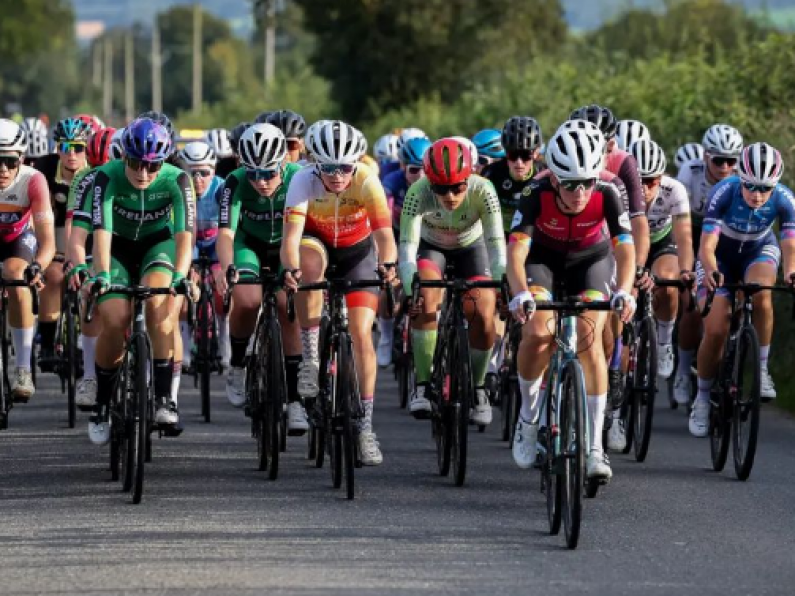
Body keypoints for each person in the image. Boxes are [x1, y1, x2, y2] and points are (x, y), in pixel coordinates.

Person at [507, 125, 636, 480]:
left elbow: (625, 247)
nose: (580, 193)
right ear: (553, 180)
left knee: (589, 339)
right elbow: (516, 252)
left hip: (590, 262)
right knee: (537, 332)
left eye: (587, 183)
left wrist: (625, 289)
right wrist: (519, 292)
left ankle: (595, 447)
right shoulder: (534, 192)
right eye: (569, 184)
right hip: (542, 262)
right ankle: (528, 419)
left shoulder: (609, 191)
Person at [282, 120, 397, 465]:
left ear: (355, 163)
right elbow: (290, 238)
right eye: (329, 168)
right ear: (316, 163)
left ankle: (365, 428)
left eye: (344, 167)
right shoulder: (301, 179)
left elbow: (384, 236)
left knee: (362, 334)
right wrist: (291, 270)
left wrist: (389, 265)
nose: (337, 175)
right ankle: (312, 358)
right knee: (308, 264)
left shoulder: (366, 179)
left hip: (357, 251)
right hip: (315, 243)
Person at [86, 118, 195, 444]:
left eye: (152, 165)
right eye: (135, 163)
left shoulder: (179, 180)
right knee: (115, 318)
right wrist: (102, 275)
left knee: (160, 307)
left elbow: (184, 237)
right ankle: (103, 403)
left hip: (156, 246)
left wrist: (180, 277)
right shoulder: (107, 176)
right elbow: (101, 234)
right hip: (116, 248)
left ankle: (164, 399)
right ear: (124, 157)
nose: (143, 173)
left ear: (163, 162)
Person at [398, 137, 506, 427]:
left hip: (474, 247)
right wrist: (411, 290)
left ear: (469, 178)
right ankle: (422, 384)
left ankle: (479, 388)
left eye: (458, 187)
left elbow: (497, 247)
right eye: (441, 188)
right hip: (432, 248)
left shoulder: (484, 190)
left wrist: (501, 286)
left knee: (483, 313)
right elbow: (407, 250)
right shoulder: (417, 192)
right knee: (425, 300)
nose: (450, 195)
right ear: (429, 182)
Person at [692, 142, 793, 437]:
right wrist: (710, 269)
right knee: (715, 329)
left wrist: (790, 271)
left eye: (765, 188)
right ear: (740, 176)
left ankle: (761, 370)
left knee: (762, 292)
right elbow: (707, 245)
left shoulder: (786, 199)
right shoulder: (723, 191)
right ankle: (702, 397)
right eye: (750, 186)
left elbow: (789, 243)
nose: (758, 195)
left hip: (759, 250)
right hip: (720, 255)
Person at [215, 124, 307, 431]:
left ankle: (295, 400)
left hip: (286, 245)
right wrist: (229, 268)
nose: (262, 182)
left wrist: (293, 270)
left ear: (282, 162)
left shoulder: (297, 177)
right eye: (253, 174)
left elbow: (299, 233)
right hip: (248, 245)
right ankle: (238, 363)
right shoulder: (234, 182)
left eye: (268, 173)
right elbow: (226, 234)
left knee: (287, 305)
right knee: (248, 298)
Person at [672, 124, 744, 405]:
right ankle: (682, 370)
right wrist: (687, 268)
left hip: (726, 235)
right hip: (696, 229)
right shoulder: (690, 172)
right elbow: (684, 226)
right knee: (690, 303)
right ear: (705, 156)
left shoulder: (743, 176)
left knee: (738, 300)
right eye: (718, 160)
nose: (725, 167)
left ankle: (735, 351)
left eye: (731, 161)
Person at [0, 119, 55, 402]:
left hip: (19, 240)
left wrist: (38, 267)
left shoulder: (33, 180)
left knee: (16, 275)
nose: (3, 169)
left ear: (22, 159)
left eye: (10, 161)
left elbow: (47, 241)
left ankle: (22, 368)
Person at [628, 138, 693, 378]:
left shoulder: (674, 189)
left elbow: (684, 236)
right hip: (626, 244)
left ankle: (664, 343)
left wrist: (686, 270)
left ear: (661, 178)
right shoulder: (615, 187)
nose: (643, 189)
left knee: (667, 282)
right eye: (637, 181)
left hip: (661, 242)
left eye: (651, 182)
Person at [34, 117, 93, 371]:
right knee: (54, 274)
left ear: (86, 149)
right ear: (56, 148)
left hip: (87, 232)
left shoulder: (95, 172)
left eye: (78, 148)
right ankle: (47, 343)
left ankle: (84, 339)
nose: (72, 154)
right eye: (65, 147)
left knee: (88, 280)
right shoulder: (44, 169)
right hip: (54, 227)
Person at [376, 136, 432, 367]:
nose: (420, 176)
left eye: (425, 170)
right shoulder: (392, 182)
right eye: (413, 170)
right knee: (389, 283)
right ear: (402, 167)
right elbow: (384, 220)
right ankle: (386, 337)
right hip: (398, 234)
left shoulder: (434, 185)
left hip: (427, 237)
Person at [177, 141, 229, 371]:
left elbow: (229, 230)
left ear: (213, 172)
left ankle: (225, 341)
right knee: (185, 286)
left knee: (224, 290)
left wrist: (223, 266)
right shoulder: (179, 189)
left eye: (204, 173)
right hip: (190, 241)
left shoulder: (221, 188)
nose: (198, 179)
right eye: (192, 172)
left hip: (216, 242)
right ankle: (185, 346)